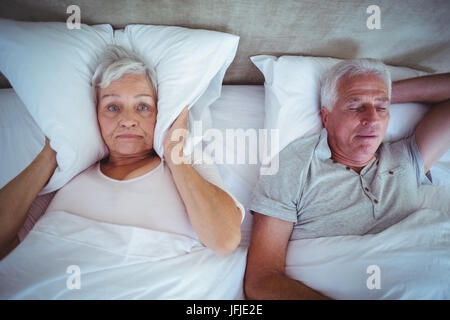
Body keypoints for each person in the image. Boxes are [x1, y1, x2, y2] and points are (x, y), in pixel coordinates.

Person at [0, 45, 244, 260]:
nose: (128, 120)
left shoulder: (184, 162)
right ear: (94, 115)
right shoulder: (70, 173)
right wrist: (52, 152)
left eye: (143, 106)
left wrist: (174, 154)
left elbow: (224, 241)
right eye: (113, 107)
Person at [244, 58, 450, 299]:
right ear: (326, 117)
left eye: (381, 108)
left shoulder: (406, 157)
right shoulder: (294, 167)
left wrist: (384, 93)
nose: (372, 119)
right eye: (355, 107)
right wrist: (374, 98)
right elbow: (260, 280)